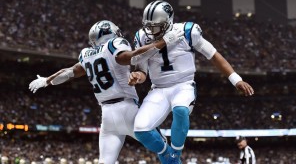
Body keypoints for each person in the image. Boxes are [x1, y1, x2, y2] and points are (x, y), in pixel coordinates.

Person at [28, 20, 183, 164]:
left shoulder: (87, 54)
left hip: (107, 117)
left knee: (105, 161)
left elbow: (69, 72)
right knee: (165, 150)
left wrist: (46, 80)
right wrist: (163, 42)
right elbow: (128, 58)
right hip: (128, 110)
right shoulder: (114, 44)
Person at [128, 0, 255, 163]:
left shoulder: (187, 31)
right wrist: (138, 76)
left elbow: (213, 55)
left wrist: (236, 79)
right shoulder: (141, 36)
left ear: (168, 23)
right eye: (148, 25)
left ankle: (175, 154)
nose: (150, 30)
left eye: (155, 25)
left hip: (183, 86)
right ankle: (168, 154)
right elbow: (142, 71)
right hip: (158, 88)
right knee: (140, 129)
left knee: (180, 110)